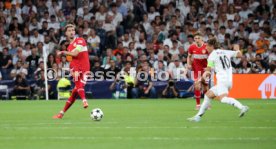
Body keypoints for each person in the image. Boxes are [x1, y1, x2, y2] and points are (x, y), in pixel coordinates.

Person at [188, 38, 249, 122]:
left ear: (211, 46)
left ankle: (242, 107)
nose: (206, 48)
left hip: (222, 81)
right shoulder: (225, 51)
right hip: (229, 80)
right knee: (208, 95)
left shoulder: (212, 56)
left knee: (223, 99)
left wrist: (199, 80)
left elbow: (208, 72)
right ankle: (197, 117)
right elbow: (239, 55)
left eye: (207, 47)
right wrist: (237, 49)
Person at [53, 24, 90, 119]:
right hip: (75, 68)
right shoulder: (69, 47)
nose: (72, 32)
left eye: (73, 30)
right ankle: (61, 113)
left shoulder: (80, 40)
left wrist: (63, 52)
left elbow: (76, 53)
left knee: (76, 90)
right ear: (66, 33)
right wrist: (64, 59)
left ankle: (83, 100)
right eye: (69, 30)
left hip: (85, 68)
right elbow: (71, 59)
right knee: (76, 89)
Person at [187, 32, 209, 110]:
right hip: (196, 69)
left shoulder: (207, 47)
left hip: (205, 70)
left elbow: (212, 57)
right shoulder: (192, 47)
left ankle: (207, 104)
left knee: (205, 87)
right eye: (195, 38)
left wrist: (209, 67)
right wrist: (188, 64)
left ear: (202, 38)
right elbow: (189, 56)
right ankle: (198, 105)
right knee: (197, 85)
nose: (197, 40)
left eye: (198, 38)